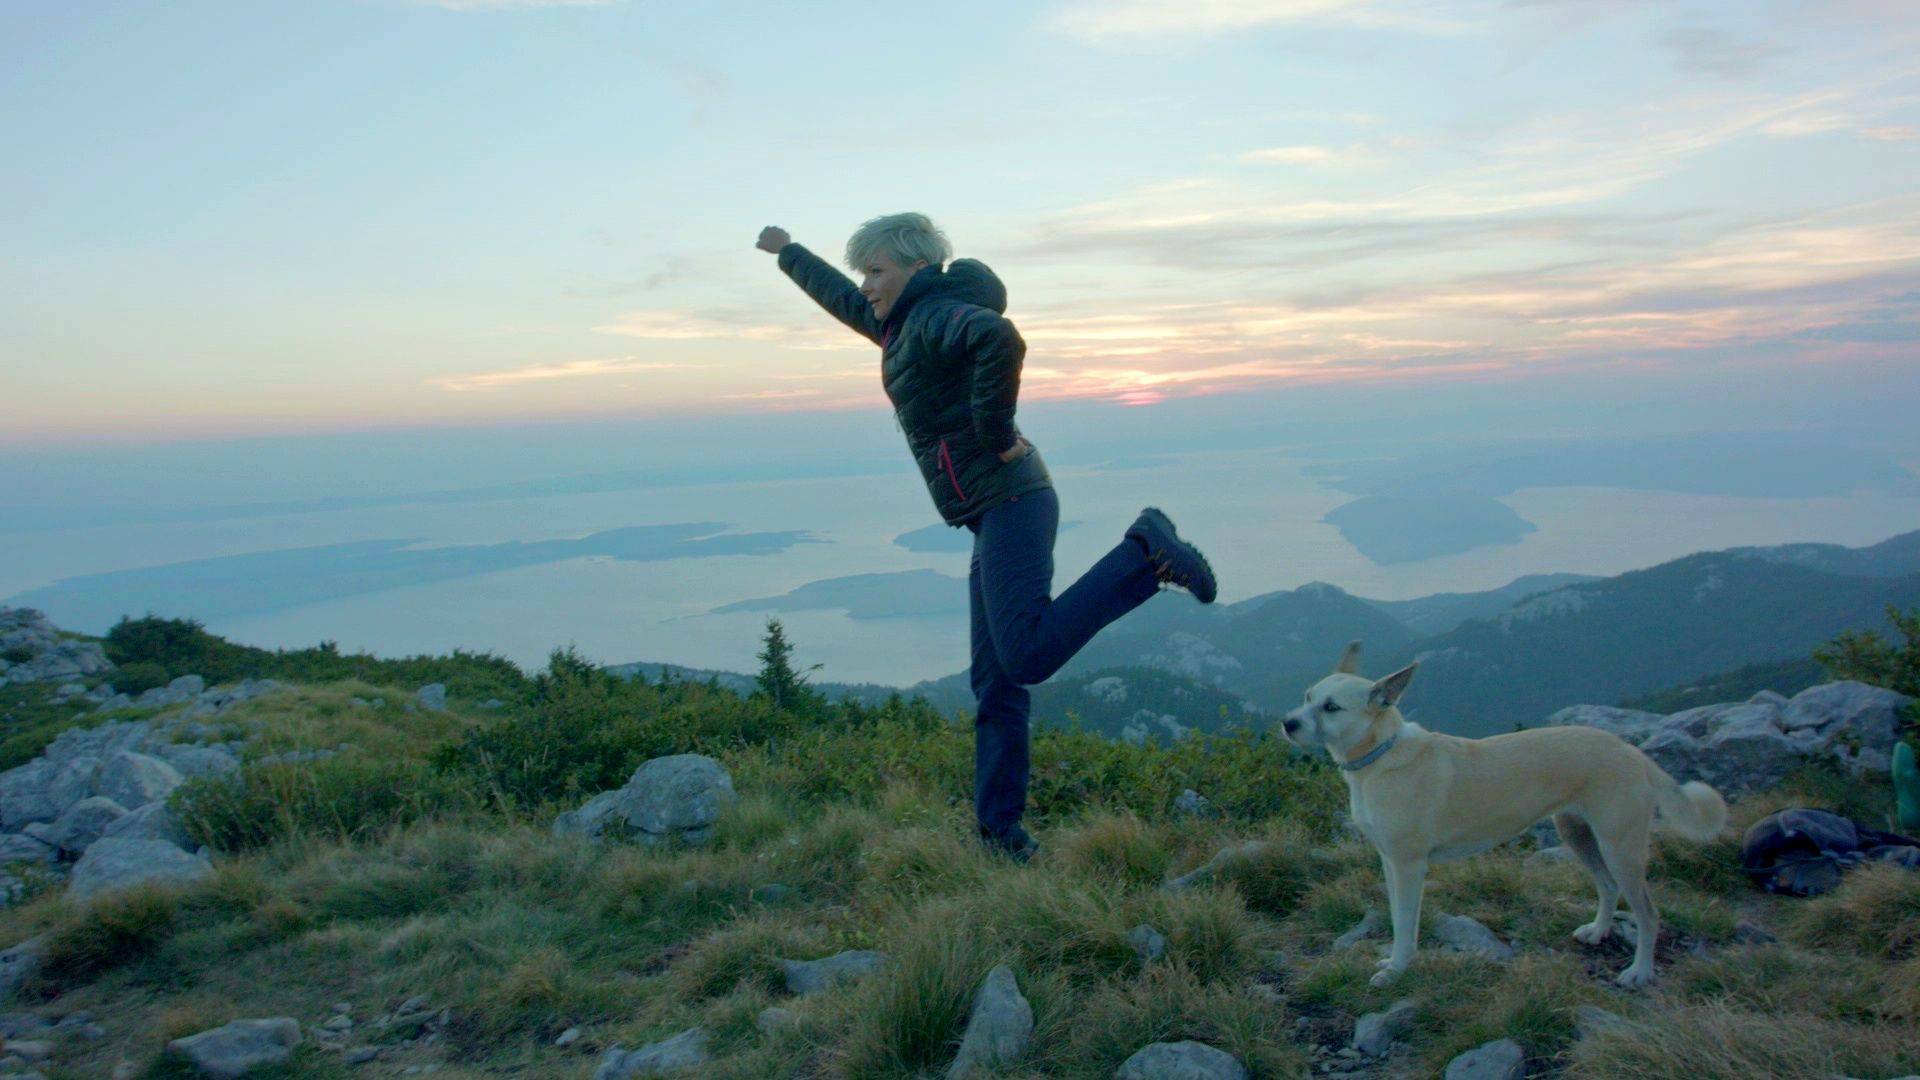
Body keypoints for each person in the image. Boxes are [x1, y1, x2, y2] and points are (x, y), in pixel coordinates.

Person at [756, 213, 1218, 860]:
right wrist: (788, 252)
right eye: (864, 271)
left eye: (876, 271)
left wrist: (996, 436)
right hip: (996, 510)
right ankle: (1001, 835)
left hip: (1015, 502)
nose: (866, 284)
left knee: (1025, 656)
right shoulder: (901, 323)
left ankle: (1145, 553)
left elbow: (1001, 340)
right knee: (996, 682)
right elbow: (842, 299)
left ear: (916, 269)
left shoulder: (940, 315)